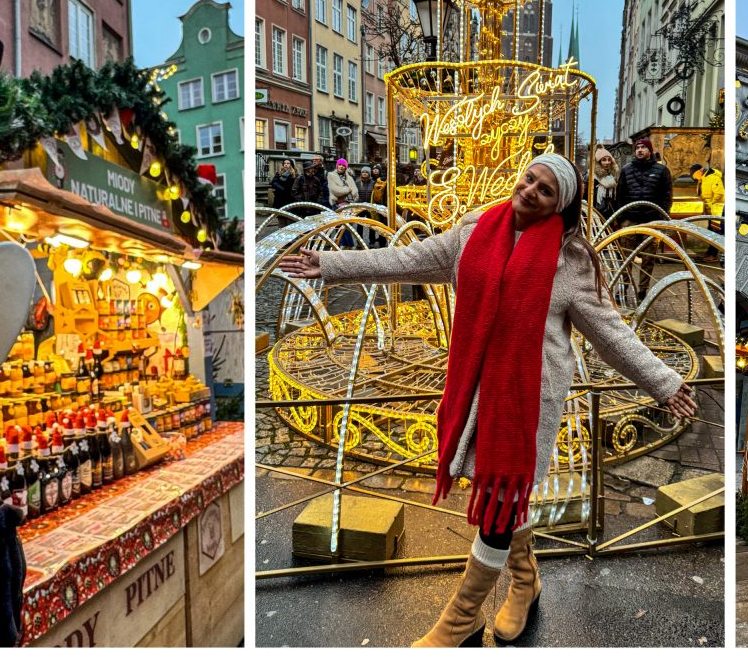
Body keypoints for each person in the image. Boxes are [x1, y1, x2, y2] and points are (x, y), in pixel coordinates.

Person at [281, 153, 697, 647]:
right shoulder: (473, 231)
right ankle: (526, 580)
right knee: (500, 493)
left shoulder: (570, 261)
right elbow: (405, 260)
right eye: (530, 179)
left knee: (501, 500)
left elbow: (611, 334)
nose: (530, 191)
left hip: (527, 400)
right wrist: (330, 264)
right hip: (476, 387)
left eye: (545, 190)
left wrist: (664, 382)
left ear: (559, 206)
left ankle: (462, 618)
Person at [614, 138, 673, 296]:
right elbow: (620, 195)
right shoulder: (626, 170)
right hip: (630, 219)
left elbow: (667, 196)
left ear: (650, 150)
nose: (640, 150)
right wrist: (621, 219)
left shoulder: (661, 171)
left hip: (651, 219)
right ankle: (623, 288)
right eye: (637, 147)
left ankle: (643, 290)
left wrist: (662, 217)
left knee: (648, 258)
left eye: (643, 147)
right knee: (626, 257)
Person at [688, 163, 725, 264]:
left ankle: (713, 254)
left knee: (716, 232)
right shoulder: (702, 179)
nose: (695, 178)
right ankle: (709, 252)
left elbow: (719, 193)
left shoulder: (713, 177)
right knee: (711, 231)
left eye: (695, 176)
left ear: (700, 171)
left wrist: (712, 204)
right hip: (710, 210)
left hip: (717, 210)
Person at [591, 147, 618, 220]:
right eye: (604, 160)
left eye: (609, 160)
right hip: (595, 213)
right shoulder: (592, 176)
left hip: (609, 213)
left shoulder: (612, 176)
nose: (607, 162)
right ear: (599, 162)